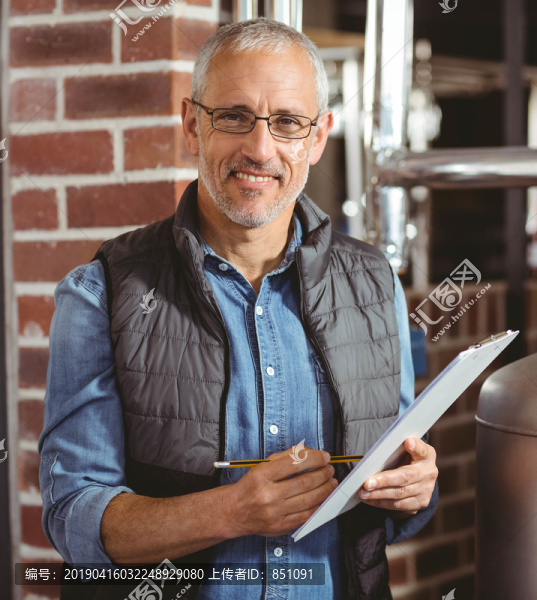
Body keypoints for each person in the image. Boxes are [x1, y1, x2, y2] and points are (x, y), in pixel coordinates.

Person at [38, 18, 438, 600]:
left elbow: (391, 501)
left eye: (288, 123)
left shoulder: (376, 283)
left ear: (319, 137)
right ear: (191, 126)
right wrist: (232, 511)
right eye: (233, 117)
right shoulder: (100, 293)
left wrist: (413, 490)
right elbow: (73, 518)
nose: (260, 148)